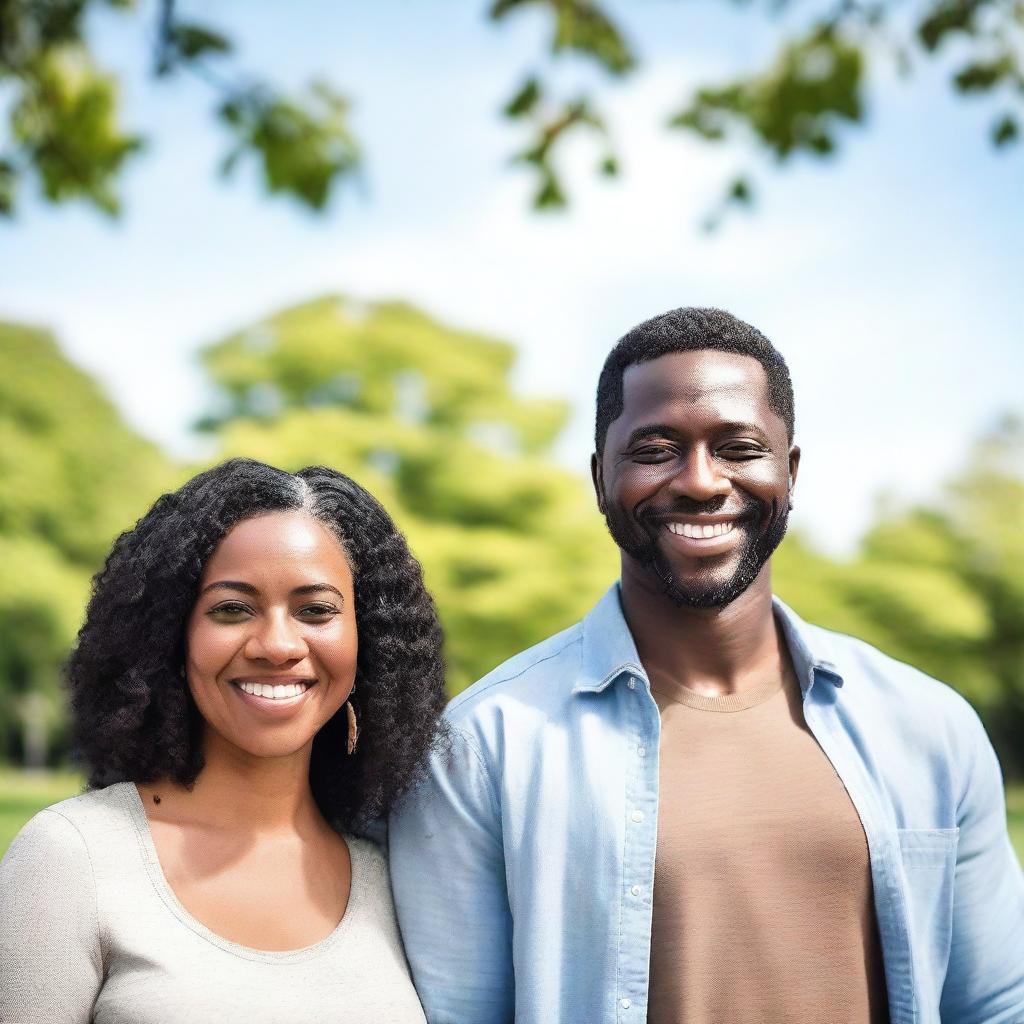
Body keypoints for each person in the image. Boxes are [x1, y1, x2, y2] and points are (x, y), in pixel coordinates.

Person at [389, 307, 1024, 1024]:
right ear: (601, 478)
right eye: (656, 449)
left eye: (738, 447)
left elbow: (998, 1003)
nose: (699, 481)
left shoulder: (927, 725)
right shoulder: (483, 746)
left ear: (789, 470)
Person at [0, 458, 445, 1023]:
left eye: (315, 610)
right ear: (171, 636)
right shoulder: (73, 857)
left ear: (368, 640)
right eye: (232, 609)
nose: (278, 644)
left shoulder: (392, 871)